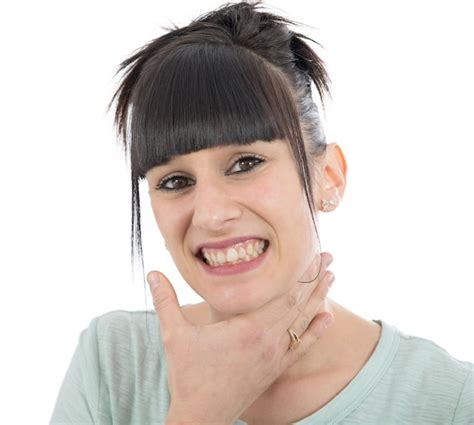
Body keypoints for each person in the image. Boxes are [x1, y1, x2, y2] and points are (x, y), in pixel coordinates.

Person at [50, 2, 473, 424]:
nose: (211, 215)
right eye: (175, 181)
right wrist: (200, 413)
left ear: (329, 176)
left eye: (246, 163)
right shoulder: (111, 365)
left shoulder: (450, 401)